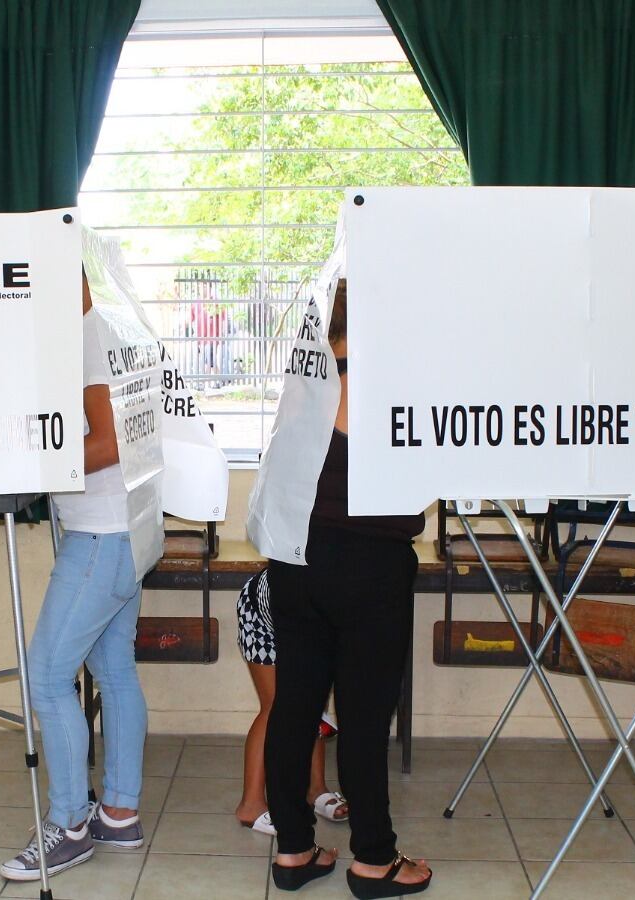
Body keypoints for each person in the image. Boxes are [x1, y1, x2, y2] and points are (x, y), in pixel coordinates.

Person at [262, 280, 432, 898]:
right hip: (370, 565)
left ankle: (294, 851)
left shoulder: (307, 375)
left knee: (294, 709)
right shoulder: (390, 380)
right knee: (363, 720)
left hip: (296, 559)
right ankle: (374, 860)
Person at [0, 276, 149, 882]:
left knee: (46, 675)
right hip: (129, 530)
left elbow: (107, 443)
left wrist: (27, 463)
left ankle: (68, 826)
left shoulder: (89, 337)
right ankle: (119, 812)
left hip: (100, 536)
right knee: (115, 671)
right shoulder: (116, 328)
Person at [235, 568, 348, 835]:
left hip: (309, 608)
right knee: (276, 706)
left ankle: (315, 789)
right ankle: (250, 804)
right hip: (262, 612)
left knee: (313, 699)